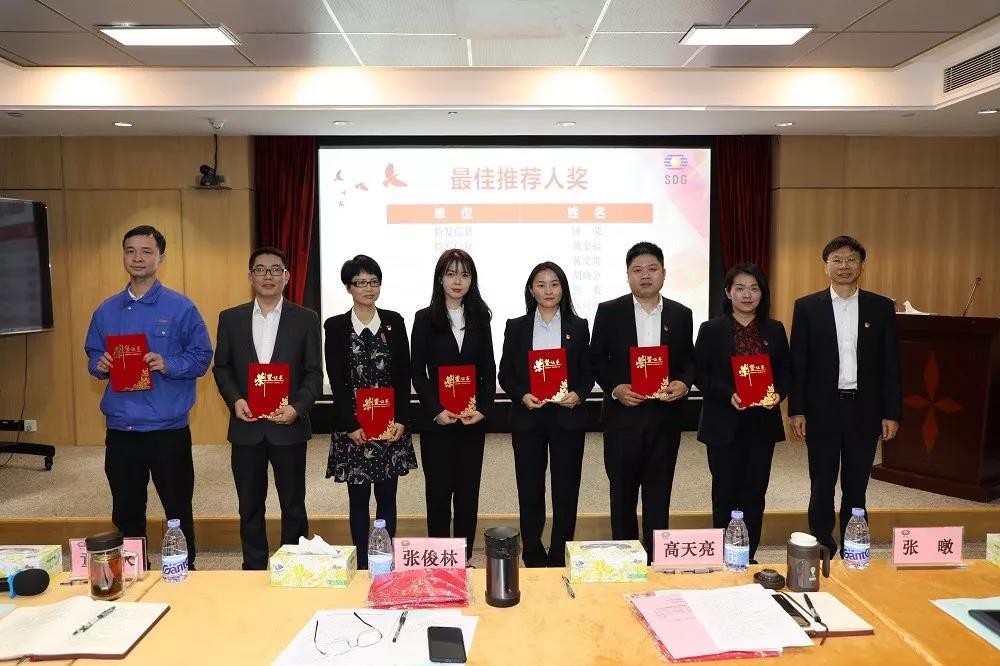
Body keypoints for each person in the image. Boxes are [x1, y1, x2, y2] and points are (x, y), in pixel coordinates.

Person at [84, 225, 212, 569]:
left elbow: (202, 357)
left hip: (167, 429)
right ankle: (134, 573)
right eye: (130, 251)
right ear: (123, 256)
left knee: (177, 509)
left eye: (146, 251)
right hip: (122, 429)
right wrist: (99, 364)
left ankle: (183, 570)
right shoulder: (106, 310)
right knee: (126, 511)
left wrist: (168, 363)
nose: (137, 258)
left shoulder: (181, 307)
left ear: (160, 258)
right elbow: (93, 355)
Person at [789, 235, 901, 557]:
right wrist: (797, 409)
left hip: (864, 410)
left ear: (862, 266)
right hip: (822, 409)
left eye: (851, 259)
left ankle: (854, 547)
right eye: (836, 260)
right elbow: (799, 363)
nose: (844, 266)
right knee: (821, 484)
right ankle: (821, 544)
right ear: (826, 266)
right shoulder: (807, 307)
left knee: (856, 485)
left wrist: (891, 412)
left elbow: (891, 364)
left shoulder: (881, 308)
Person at [212, 247, 322, 570]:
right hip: (246, 429)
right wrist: (235, 400)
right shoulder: (230, 318)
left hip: (288, 428)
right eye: (260, 269)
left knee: (293, 505)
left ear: (287, 276)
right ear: (250, 277)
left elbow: (314, 374)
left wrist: (297, 408)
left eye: (276, 270)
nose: (268, 276)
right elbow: (222, 368)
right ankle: (254, 567)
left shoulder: (305, 318)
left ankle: (295, 566)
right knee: (249, 506)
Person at [590, 241, 695, 558]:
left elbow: (688, 359)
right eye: (637, 270)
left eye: (652, 269)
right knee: (622, 494)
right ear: (628, 275)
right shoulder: (610, 311)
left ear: (664, 273)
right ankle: (625, 559)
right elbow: (596, 360)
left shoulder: (680, 314)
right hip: (623, 418)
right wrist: (615, 388)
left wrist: (684, 383)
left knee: (659, 494)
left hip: (664, 418)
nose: (645, 276)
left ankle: (656, 559)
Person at [498, 261, 594, 567]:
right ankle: (533, 553)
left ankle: (559, 553)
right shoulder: (517, 326)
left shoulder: (578, 326)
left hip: (567, 417)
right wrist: (522, 395)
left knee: (566, 490)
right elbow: (505, 374)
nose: (548, 290)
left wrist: (579, 393)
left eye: (554, 284)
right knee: (530, 489)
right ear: (531, 290)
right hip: (529, 418)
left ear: (563, 289)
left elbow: (588, 371)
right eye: (541, 285)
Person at [694, 262, 791, 562]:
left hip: (761, 423)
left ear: (762, 293)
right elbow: (700, 374)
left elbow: (786, 373)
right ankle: (723, 555)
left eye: (754, 288)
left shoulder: (774, 329)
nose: (747, 295)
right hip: (723, 422)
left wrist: (778, 394)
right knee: (725, 491)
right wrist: (729, 394)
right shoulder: (711, 330)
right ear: (728, 293)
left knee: (755, 492)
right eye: (740, 288)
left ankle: (748, 556)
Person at [324, 255, 416, 570]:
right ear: (348, 287)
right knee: (359, 499)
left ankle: (384, 562)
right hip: (355, 428)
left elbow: (404, 375)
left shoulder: (394, 321)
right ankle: (363, 564)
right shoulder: (336, 326)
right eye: (361, 282)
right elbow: (336, 380)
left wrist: (401, 419)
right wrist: (349, 424)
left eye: (373, 282)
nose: (368, 288)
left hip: (390, 427)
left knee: (388, 497)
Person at [411, 249, 495, 560]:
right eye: (451, 274)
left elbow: (488, 369)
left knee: (468, 493)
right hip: (438, 421)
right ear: (440, 279)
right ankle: (438, 557)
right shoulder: (424, 318)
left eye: (464, 274)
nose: (457, 281)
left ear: (472, 280)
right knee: (437, 493)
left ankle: (463, 557)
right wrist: (435, 410)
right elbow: (417, 372)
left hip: (472, 421)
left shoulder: (480, 317)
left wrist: (483, 408)